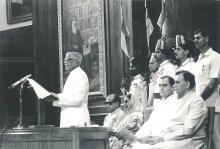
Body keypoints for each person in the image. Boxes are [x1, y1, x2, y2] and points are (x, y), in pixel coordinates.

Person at [131, 71, 208, 149]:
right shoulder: (179, 100)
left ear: (187, 84)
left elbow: (188, 131)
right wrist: (155, 137)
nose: (174, 86)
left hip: (189, 141)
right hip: (173, 139)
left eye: (177, 83)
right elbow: (168, 124)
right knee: (137, 146)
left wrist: (162, 138)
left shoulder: (196, 101)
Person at [194, 27, 220, 149]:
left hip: (213, 104)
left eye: (198, 38)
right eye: (194, 38)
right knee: (203, 137)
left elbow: (212, 83)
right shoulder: (199, 59)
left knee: (215, 136)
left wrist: (199, 100)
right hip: (202, 104)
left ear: (207, 39)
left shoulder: (215, 57)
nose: (195, 40)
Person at [51, 52, 90, 127]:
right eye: (65, 60)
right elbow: (69, 96)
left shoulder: (80, 75)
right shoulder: (73, 75)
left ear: (75, 62)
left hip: (77, 119)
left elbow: (78, 99)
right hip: (70, 118)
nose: (65, 62)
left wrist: (57, 97)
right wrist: (53, 97)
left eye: (68, 60)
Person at [153, 37, 176, 105]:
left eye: (157, 52)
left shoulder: (169, 67)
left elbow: (171, 89)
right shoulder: (162, 67)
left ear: (164, 54)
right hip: (158, 102)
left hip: (165, 103)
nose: (155, 55)